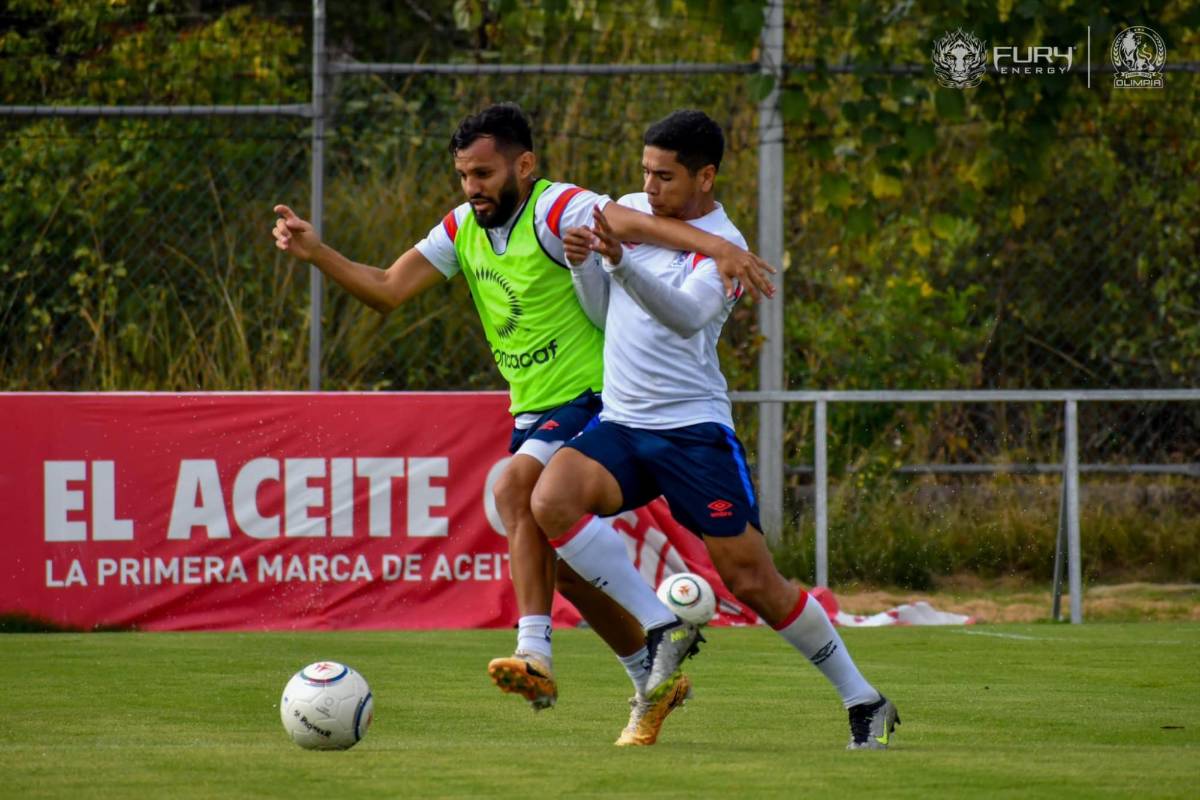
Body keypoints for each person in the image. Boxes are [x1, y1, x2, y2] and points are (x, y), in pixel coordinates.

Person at [271, 103, 774, 740]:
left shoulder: (552, 204)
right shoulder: (461, 228)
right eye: (464, 176)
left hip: (592, 395)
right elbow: (387, 289)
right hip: (535, 409)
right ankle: (650, 671)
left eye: (484, 173)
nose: (473, 187)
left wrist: (719, 246)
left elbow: (627, 220)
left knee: (511, 488)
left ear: (524, 164)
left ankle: (539, 648)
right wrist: (318, 253)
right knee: (560, 562)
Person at [530, 109, 901, 750]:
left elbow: (683, 317)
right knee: (550, 501)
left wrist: (619, 265)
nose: (649, 188)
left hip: (691, 432)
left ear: (705, 177)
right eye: (645, 172)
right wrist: (583, 266)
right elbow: (601, 313)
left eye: (665, 177)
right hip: (622, 421)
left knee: (753, 581)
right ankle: (658, 628)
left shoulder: (725, 244)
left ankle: (864, 699)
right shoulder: (628, 212)